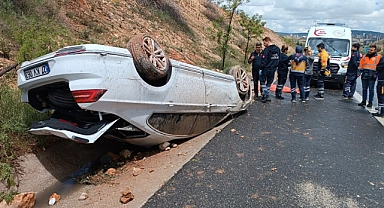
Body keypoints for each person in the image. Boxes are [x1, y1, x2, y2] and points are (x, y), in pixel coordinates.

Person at [260, 37, 281, 103]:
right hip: (273, 69)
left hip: (266, 68)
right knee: (269, 83)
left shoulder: (266, 50)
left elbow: (264, 60)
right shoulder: (277, 49)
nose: (264, 44)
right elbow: (279, 59)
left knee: (262, 82)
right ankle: (266, 95)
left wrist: (261, 67)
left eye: (264, 43)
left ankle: (266, 95)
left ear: (268, 41)